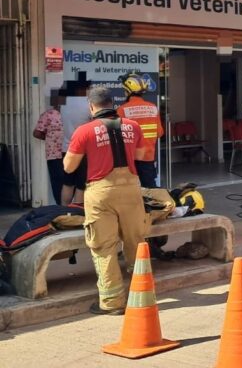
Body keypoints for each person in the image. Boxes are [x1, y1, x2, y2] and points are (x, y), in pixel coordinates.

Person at [64, 86, 148, 315]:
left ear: (91, 106)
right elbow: (141, 156)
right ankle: (142, 295)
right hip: (131, 189)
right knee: (136, 242)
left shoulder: (84, 131)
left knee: (104, 246)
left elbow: (69, 166)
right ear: (113, 103)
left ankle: (112, 303)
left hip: (100, 193)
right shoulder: (133, 126)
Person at [117, 72, 164, 189]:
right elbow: (159, 133)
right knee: (150, 192)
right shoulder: (153, 108)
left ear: (128, 91)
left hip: (129, 160)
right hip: (147, 158)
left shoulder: (122, 110)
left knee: (129, 191)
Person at [61, 82, 92, 205]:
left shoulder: (64, 104)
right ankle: (77, 212)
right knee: (81, 185)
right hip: (83, 151)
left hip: (66, 149)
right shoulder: (88, 105)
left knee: (68, 183)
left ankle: (64, 210)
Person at [32, 91, 65, 204]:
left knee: (58, 181)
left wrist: (50, 138)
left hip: (56, 154)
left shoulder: (48, 114)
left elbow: (37, 133)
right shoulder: (67, 114)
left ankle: (62, 206)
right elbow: (36, 133)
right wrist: (50, 138)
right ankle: (65, 206)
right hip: (67, 153)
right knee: (67, 181)